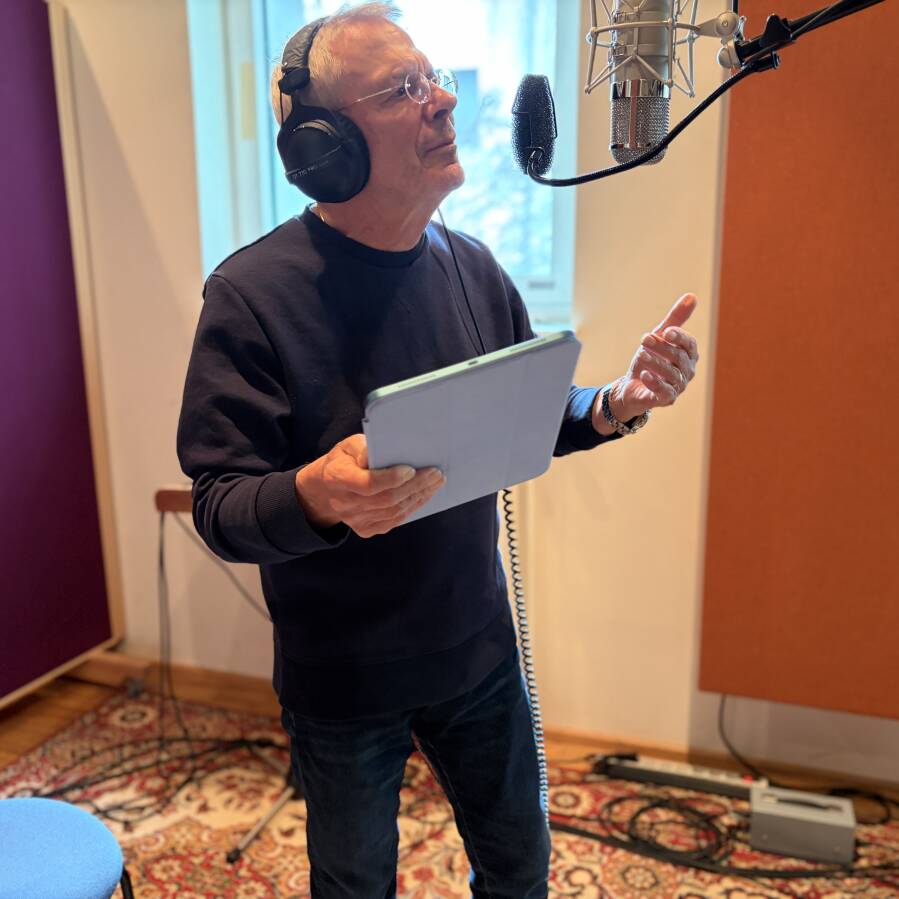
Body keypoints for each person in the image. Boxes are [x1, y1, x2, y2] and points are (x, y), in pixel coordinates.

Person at [177, 3, 699, 896]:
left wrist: (616, 401)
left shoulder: (471, 264)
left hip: (476, 650)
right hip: (342, 679)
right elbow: (219, 504)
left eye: (435, 79)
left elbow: (529, 412)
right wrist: (314, 493)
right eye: (402, 90)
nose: (443, 102)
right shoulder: (250, 295)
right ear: (323, 148)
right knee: (354, 884)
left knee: (518, 867)